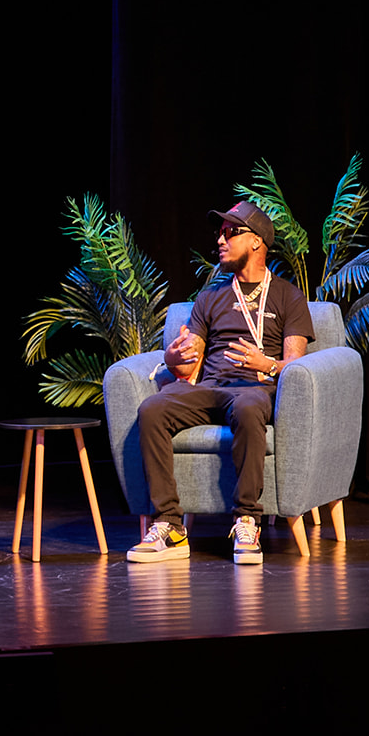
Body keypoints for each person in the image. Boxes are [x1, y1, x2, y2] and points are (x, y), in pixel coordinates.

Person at [128, 201, 316, 565]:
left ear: (257, 242)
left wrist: (267, 364)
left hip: (256, 389)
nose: (220, 240)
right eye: (220, 232)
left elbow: (296, 366)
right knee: (152, 409)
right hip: (210, 386)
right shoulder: (210, 297)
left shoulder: (288, 296)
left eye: (231, 232)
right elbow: (189, 361)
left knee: (247, 407)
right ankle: (169, 526)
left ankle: (247, 519)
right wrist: (173, 356)